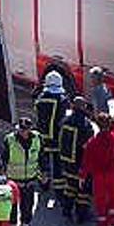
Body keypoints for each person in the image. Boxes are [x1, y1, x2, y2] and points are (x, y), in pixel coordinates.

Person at [1, 117, 47, 226]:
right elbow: (3, 160)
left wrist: (44, 173)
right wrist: (2, 178)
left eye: (25, 130)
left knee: (27, 211)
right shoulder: (9, 140)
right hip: (13, 184)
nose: (22, 132)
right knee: (12, 213)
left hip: (30, 182)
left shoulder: (37, 139)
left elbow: (41, 157)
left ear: (30, 129)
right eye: (20, 129)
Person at [80, 112, 114, 226]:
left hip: (98, 177)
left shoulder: (92, 142)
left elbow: (86, 161)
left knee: (100, 203)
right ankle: (112, 225)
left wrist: (82, 176)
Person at [33, 70, 70, 203]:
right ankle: (59, 191)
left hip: (42, 137)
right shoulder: (62, 99)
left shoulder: (40, 98)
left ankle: (44, 184)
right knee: (58, 164)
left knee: (43, 163)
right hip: (57, 138)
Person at [58, 96, 96, 223]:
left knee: (70, 186)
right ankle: (81, 214)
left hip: (66, 161)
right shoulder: (86, 124)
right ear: (84, 107)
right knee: (83, 191)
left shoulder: (65, 120)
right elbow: (88, 146)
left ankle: (66, 210)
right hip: (80, 163)